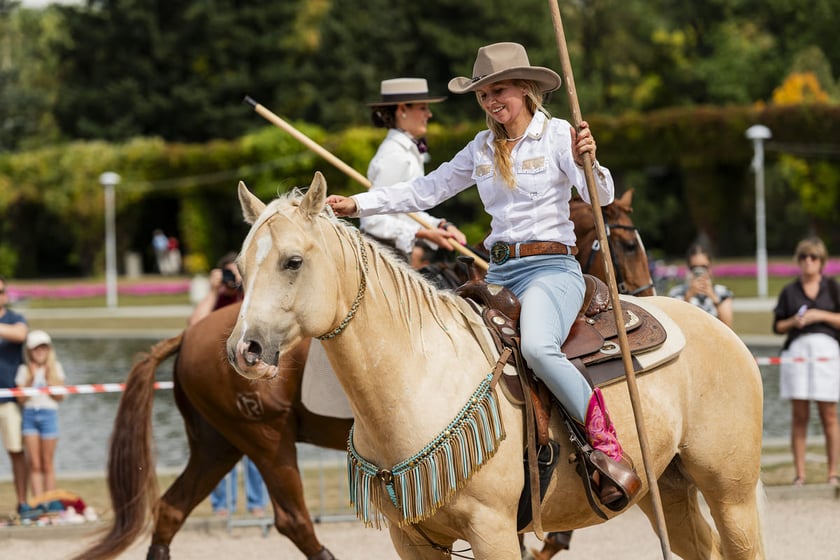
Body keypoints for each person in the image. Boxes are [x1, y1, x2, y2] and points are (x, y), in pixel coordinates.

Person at [327, 42, 640, 508]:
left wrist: (588, 161)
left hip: (551, 270)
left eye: (500, 91)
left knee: (537, 347)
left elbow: (603, 196)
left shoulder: (558, 135)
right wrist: (358, 204)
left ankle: (606, 444)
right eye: (483, 95)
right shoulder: (480, 147)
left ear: (526, 89)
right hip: (499, 272)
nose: (491, 101)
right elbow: (426, 190)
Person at [187, 253, 269, 516]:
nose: (232, 279)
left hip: (249, 385)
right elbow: (194, 325)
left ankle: (257, 505)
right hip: (218, 387)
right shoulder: (216, 300)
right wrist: (213, 292)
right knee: (219, 447)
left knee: (256, 445)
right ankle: (223, 506)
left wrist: (247, 286)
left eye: (237, 273)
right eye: (228, 274)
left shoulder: (251, 299)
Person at [362, 77, 466, 268]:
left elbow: (408, 211)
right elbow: (372, 219)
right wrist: (423, 233)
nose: (429, 114)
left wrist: (440, 225)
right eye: (423, 108)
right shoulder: (394, 154)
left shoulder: (407, 150)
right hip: (385, 262)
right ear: (402, 109)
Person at [773, 237, 840, 487]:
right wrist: (795, 321)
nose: (808, 261)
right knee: (799, 415)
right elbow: (778, 326)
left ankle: (832, 473)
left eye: (813, 257)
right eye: (803, 257)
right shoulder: (789, 291)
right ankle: (800, 474)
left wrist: (819, 315)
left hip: (826, 351)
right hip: (798, 351)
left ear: (821, 261)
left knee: (829, 414)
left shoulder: (832, 288)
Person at [16, 329, 65, 499]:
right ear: (29, 351)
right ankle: (38, 501)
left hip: (48, 415)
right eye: (36, 348)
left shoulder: (55, 368)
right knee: (34, 463)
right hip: (29, 416)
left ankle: (50, 500)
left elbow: (60, 397)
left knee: (47, 462)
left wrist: (49, 380)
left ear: (49, 350)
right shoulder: (23, 369)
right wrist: (31, 379)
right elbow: (21, 399)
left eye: (44, 348)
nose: (40, 351)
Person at [0, 275, 31, 518]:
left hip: (9, 399)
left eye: (0, 292)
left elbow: (20, 334)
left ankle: (23, 503)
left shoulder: (15, 318)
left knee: (16, 451)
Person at [668, 243, 734, 328]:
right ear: (688, 268)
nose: (699, 271)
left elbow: (728, 326)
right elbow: (675, 324)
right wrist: (688, 296)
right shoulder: (677, 292)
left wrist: (713, 296)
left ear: (710, 267)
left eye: (704, 267)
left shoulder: (722, 292)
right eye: (694, 267)